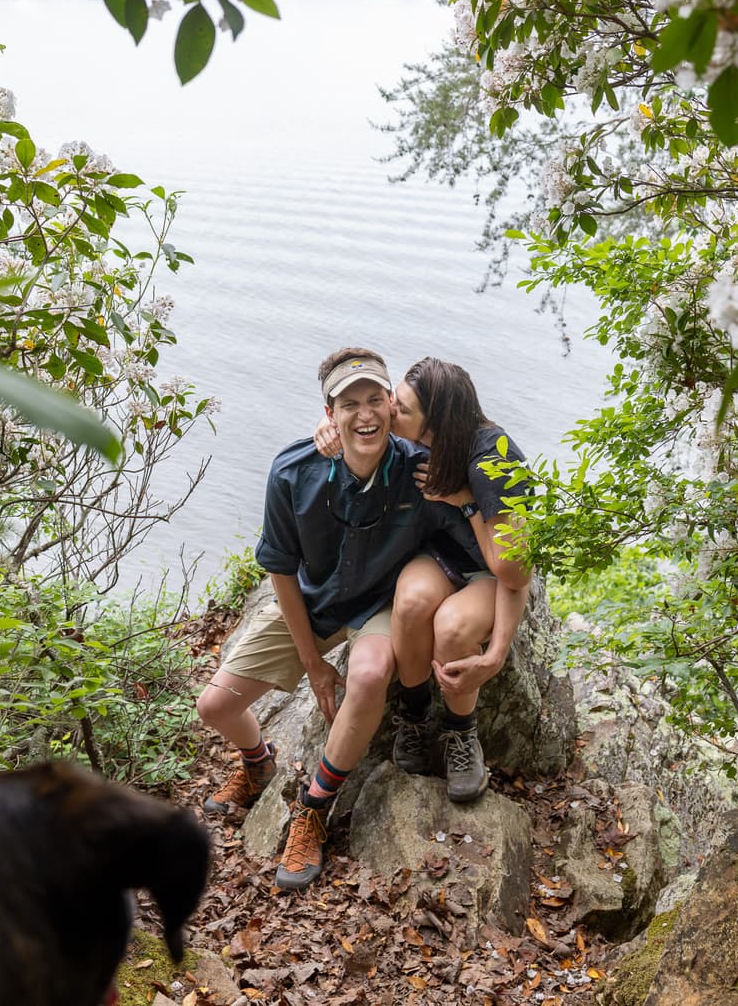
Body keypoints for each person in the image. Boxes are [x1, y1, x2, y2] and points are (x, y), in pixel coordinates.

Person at [196, 348, 472, 892]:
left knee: (368, 676)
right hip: (312, 601)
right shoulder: (294, 471)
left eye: (375, 400)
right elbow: (279, 567)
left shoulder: (419, 472)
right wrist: (312, 664)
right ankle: (258, 761)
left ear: (393, 406)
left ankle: (314, 807)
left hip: (377, 605)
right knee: (214, 707)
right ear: (329, 414)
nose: (364, 414)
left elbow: (484, 483)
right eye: (349, 404)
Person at [315, 356, 533, 803]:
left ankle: (460, 734)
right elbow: (361, 420)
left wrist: (465, 502)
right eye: (395, 399)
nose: (390, 410)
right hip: (440, 557)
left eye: (403, 409)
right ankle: (413, 717)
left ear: (437, 422)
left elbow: (514, 572)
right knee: (412, 603)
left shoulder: (494, 460)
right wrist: (330, 430)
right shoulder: (422, 444)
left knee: (451, 627)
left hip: (488, 574)